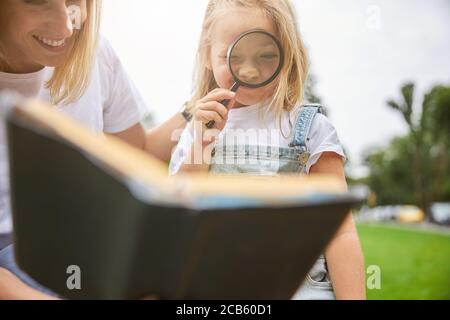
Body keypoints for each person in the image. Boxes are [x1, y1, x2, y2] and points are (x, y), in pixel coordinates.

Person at [169, 0, 366, 300]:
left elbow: (339, 231)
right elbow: (176, 215)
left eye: (266, 56)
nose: (248, 70)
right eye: (232, 56)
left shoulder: (311, 128)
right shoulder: (195, 130)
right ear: (207, 55)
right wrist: (202, 143)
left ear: (287, 56)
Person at [0, 0, 193, 299]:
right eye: (38, 2)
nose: (66, 26)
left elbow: (135, 153)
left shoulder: (95, 55)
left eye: (74, 1)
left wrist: (195, 111)